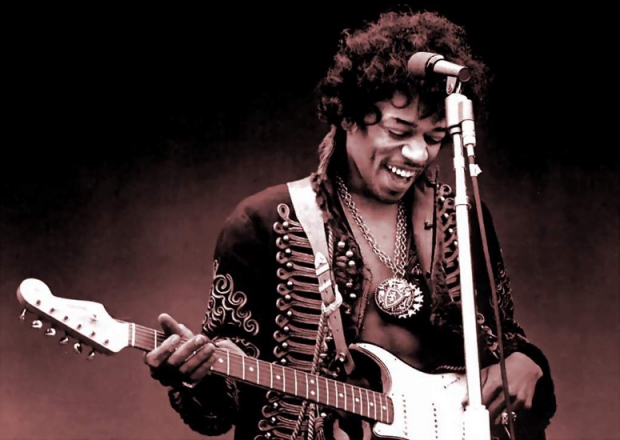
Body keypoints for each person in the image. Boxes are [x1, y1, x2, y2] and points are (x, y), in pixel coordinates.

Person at [144, 8, 556, 440]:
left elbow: (503, 338)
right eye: (399, 131)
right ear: (348, 115)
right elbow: (221, 407)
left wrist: (526, 362)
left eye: (434, 138)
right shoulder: (263, 223)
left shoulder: (461, 216)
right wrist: (196, 377)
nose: (418, 154)